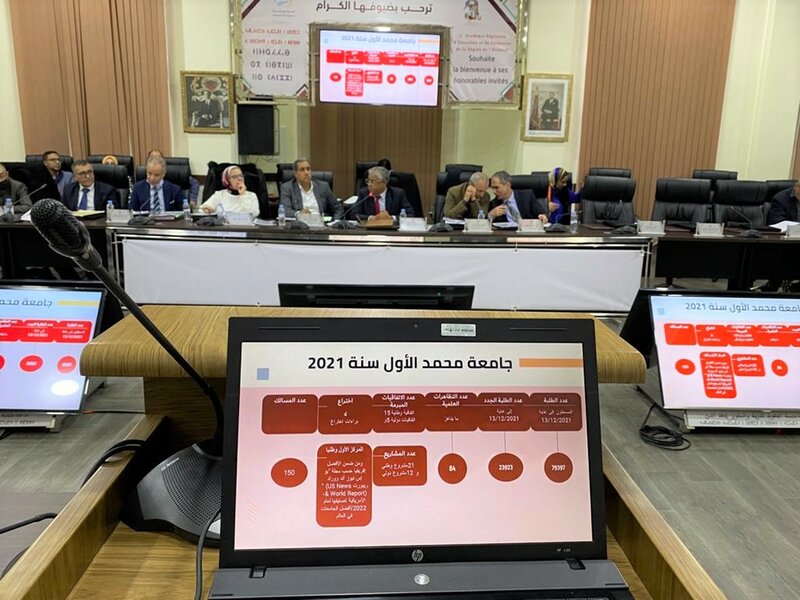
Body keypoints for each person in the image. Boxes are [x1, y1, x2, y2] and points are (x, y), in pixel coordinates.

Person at [279, 158, 343, 220]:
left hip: (322, 224)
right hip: (300, 225)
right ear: (295, 174)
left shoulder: (323, 186)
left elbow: (338, 209)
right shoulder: (287, 188)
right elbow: (285, 211)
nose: (306, 172)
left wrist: (334, 222)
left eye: (308, 169)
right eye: (302, 170)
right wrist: (299, 214)